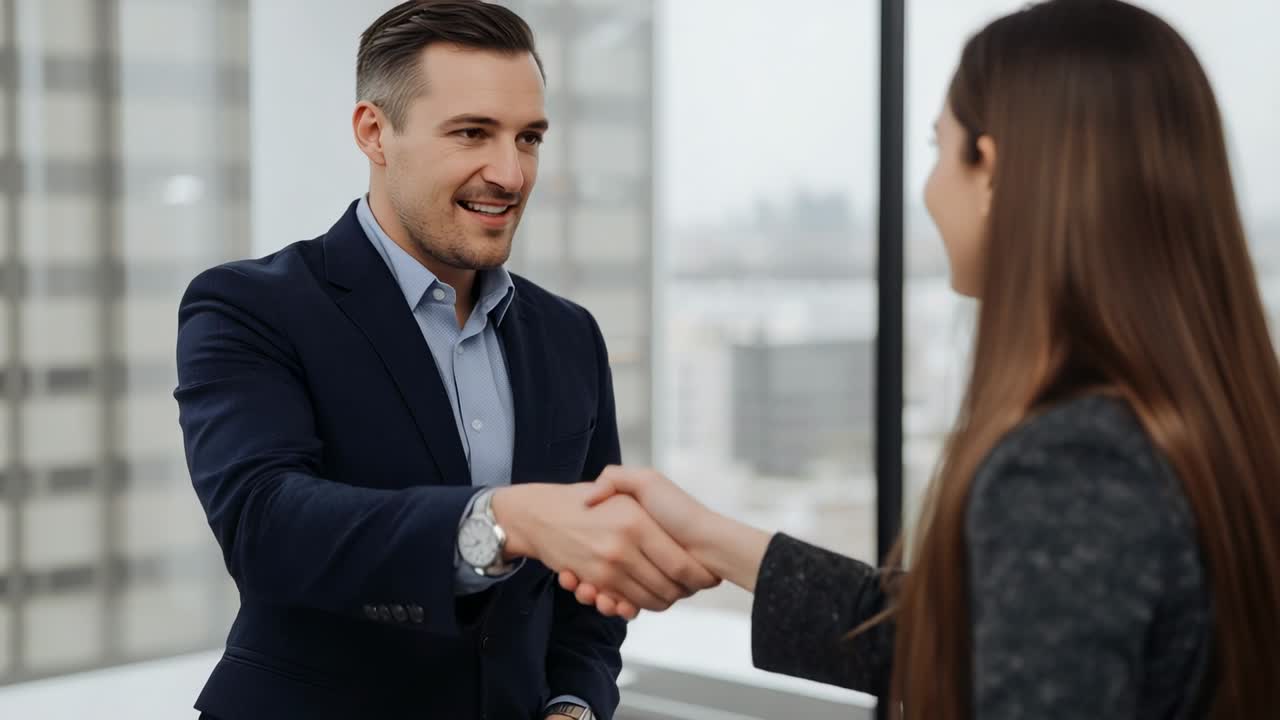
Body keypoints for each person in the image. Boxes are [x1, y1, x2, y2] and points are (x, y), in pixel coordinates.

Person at [562, 1, 1280, 717]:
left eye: (939, 148)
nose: (930, 187)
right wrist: (716, 541)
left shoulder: (1071, 464)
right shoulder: (1195, 420)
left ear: (992, 172)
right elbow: (975, 637)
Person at [174, 2, 715, 719]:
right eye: (472, 133)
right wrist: (501, 521)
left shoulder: (569, 336)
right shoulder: (251, 306)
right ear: (375, 132)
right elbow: (266, 526)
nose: (511, 173)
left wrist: (572, 704)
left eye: (529, 138)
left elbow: (584, 597)